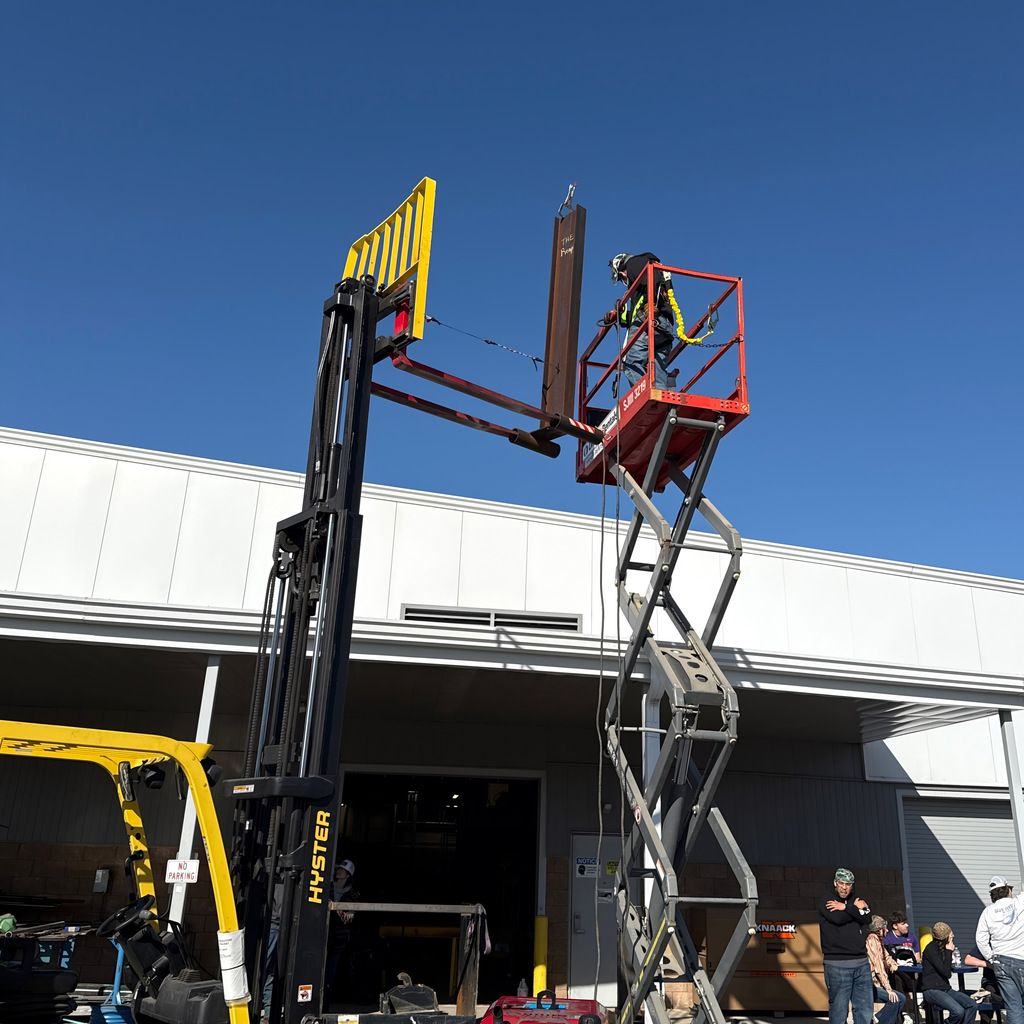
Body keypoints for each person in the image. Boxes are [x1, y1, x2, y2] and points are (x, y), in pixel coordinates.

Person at [606, 252, 678, 390]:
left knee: (631, 363)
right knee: (657, 369)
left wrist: (649, 305)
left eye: (621, 277)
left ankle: (645, 395)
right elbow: (633, 316)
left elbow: (648, 281)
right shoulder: (652, 272)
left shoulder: (634, 263)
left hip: (648, 321)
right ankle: (659, 403)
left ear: (621, 270)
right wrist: (617, 316)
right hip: (664, 324)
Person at [819, 867, 875, 1024]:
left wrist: (847, 908)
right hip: (837, 965)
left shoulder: (855, 899)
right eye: (842, 883)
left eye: (848, 884)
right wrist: (856, 910)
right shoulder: (827, 899)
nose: (845, 887)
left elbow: (868, 918)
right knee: (839, 1010)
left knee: (864, 1009)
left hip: (862, 964)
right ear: (835, 883)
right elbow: (837, 918)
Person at [976, 875, 1024, 1024]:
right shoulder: (1019, 903)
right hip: (1021, 959)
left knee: (1013, 1008)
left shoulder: (988, 912)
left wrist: (992, 958)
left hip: (1001, 962)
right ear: (1008, 890)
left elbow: (980, 939)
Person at [922, 922, 978, 1024]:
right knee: (958, 1011)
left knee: (972, 1004)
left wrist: (948, 952)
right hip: (932, 990)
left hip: (945, 989)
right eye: (951, 935)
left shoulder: (942, 948)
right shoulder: (931, 949)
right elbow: (946, 972)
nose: (953, 936)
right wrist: (949, 951)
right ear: (946, 937)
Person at [325, 860, 360, 1006]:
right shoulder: (326, 887)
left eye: (343, 870)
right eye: (339, 869)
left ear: (348, 875)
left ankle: (325, 1004)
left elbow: (349, 918)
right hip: (322, 937)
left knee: (330, 974)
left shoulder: (352, 894)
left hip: (338, 941)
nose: (339, 871)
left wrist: (335, 909)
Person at [868, 914, 907, 1024]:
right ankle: (880, 1019)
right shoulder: (872, 941)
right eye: (885, 927)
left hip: (877, 984)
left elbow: (886, 956)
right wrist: (888, 989)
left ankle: (878, 1017)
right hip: (870, 985)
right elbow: (879, 967)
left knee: (901, 998)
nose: (887, 930)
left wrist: (892, 963)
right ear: (880, 930)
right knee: (895, 999)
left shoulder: (879, 940)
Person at [964, 943, 1004, 1024]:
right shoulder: (988, 944)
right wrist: (988, 964)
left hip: (1011, 982)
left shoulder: (1015, 942)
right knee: (987, 995)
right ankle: (985, 1021)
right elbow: (968, 960)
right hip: (991, 982)